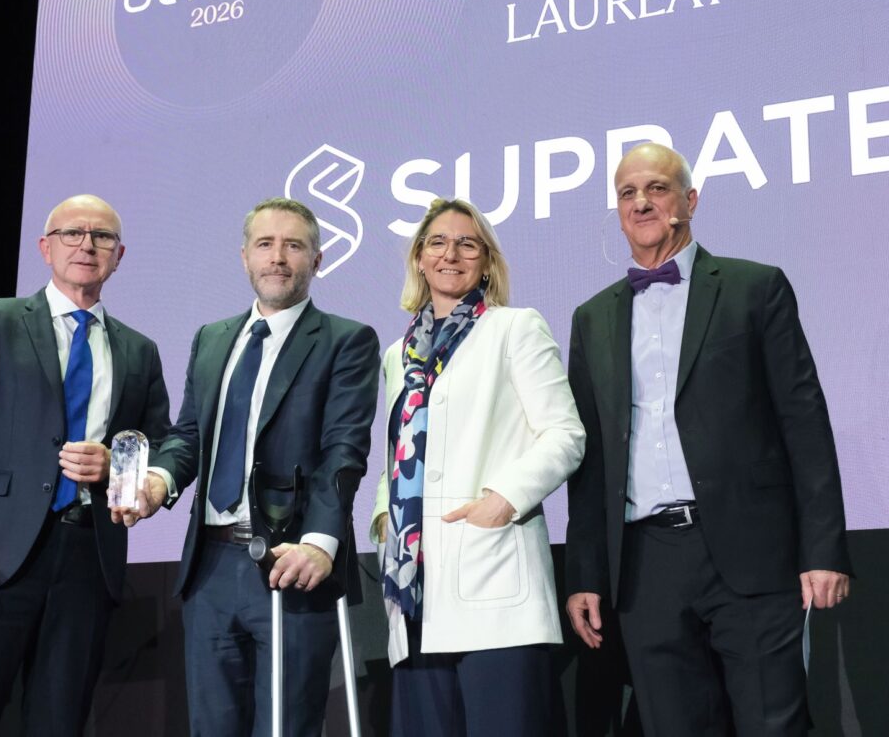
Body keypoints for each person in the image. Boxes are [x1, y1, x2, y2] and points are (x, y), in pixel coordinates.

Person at [565, 142, 853, 735]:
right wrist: (586, 574)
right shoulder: (592, 318)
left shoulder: (755, 287)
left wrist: (822, 549)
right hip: (645, 567)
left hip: (751, 553)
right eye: (627, 192)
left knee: (775, 725)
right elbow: (590, 462)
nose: (641, 201)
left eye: (657, 188)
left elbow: (804, 422)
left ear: (690, 200)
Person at [113, 197, 380, 737]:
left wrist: (320, 543)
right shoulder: (213, 338)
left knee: (286, 727)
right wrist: (159, 481)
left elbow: (343, 451)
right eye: (265, 244)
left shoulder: (345, 340)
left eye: (293, 245)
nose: (278, 257)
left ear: (318, 260)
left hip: (291, 564)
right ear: (244, 258)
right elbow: (189, 436)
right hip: (209, 570)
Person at [0, 194, 171, 737]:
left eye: (102, 237)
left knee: (59, 725)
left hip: (88, 558)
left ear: (120, 255)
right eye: (72, 233)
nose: (87, 244)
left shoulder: (139, 350)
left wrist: (121, 470)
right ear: (45, 247)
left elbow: (160, 443)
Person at [370, 198, 585, 736]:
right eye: (438, 242)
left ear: (486, 262)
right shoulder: (399, 354)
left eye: (468, 244)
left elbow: (565, 434)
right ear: (419, 258)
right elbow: (399, 451)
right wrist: (382, 518)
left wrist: (503, 499)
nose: (451, 254)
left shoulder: (515, 328)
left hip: (494, 584)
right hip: (416, 588)